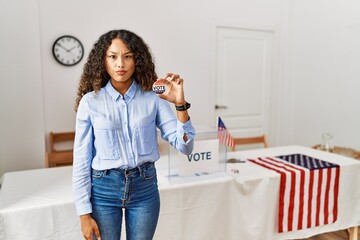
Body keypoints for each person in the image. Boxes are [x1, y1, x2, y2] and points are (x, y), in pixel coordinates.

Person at [72, 29, 195, 240]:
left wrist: (180, 104)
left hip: (144, 188)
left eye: (127, 56)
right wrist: (84, 214)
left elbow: (185, 146)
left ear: (137, 60)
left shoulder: (153, 97)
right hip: (103, 190)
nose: (120, 64)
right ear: (103, 60)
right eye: (113, 56)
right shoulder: (90, 102)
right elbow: (81, 160)